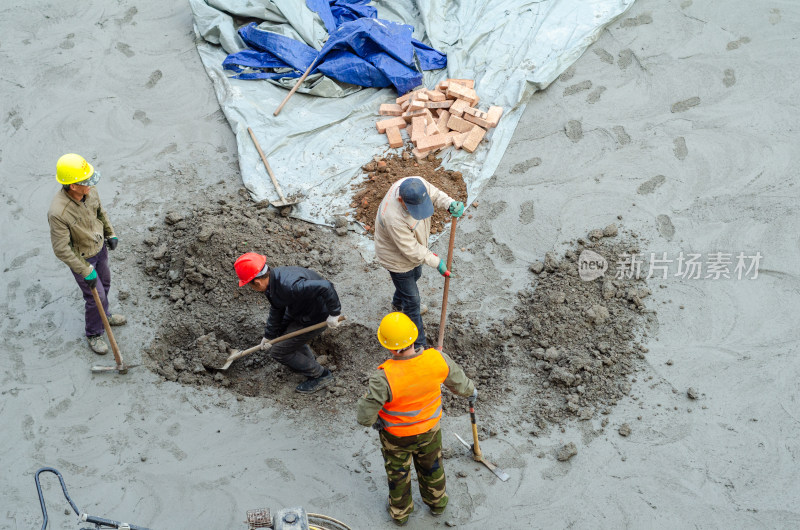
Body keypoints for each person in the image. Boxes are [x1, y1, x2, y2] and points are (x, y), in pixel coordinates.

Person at [357, 312, 477, 526]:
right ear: (414, 337)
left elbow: (364, 416)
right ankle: (438, 503)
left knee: (398, 473)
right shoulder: (437, 359)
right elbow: (461, 384)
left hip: (396, 438)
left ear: (389, 346)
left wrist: (374, 419)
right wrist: (471, 392)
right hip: (430, 432)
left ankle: (400, 513)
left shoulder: (384, 377)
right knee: (432, 466)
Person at [373, 177, 464, 350]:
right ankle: (418, 345)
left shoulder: (415, 184)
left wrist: (449, 204)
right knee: (412, 301)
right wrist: (437, 262)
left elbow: (435, 194)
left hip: (413, 251)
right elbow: (411, 250)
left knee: (416, 275)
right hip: (396, 258)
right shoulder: (393, 217)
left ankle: (397, 303)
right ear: (401, 200)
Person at [48, 153, 126, 354]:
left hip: (100, 249)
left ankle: (104, 314)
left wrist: (110, 233)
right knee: (95, 296)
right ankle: (94, 333)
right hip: (83, 259)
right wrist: (84, 270)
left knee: (105, 284)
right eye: (86, 181)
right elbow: (61, 248)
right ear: (73, 186)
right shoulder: (59, 212)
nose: (91, 184)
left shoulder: (90, 191)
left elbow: (101, 212)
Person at [234, 252, 342, 393]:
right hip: (300, 309)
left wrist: (334, 313)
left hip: (317, 315)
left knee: (278, 351)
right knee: (282, 335)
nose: (251, 288)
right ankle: (308, 361)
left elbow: (326, 286)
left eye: (250, 285)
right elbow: (277, 308)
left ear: (257, 282)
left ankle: (321, 375)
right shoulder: (273, 281)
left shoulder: (290, 286)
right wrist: (269, 335)